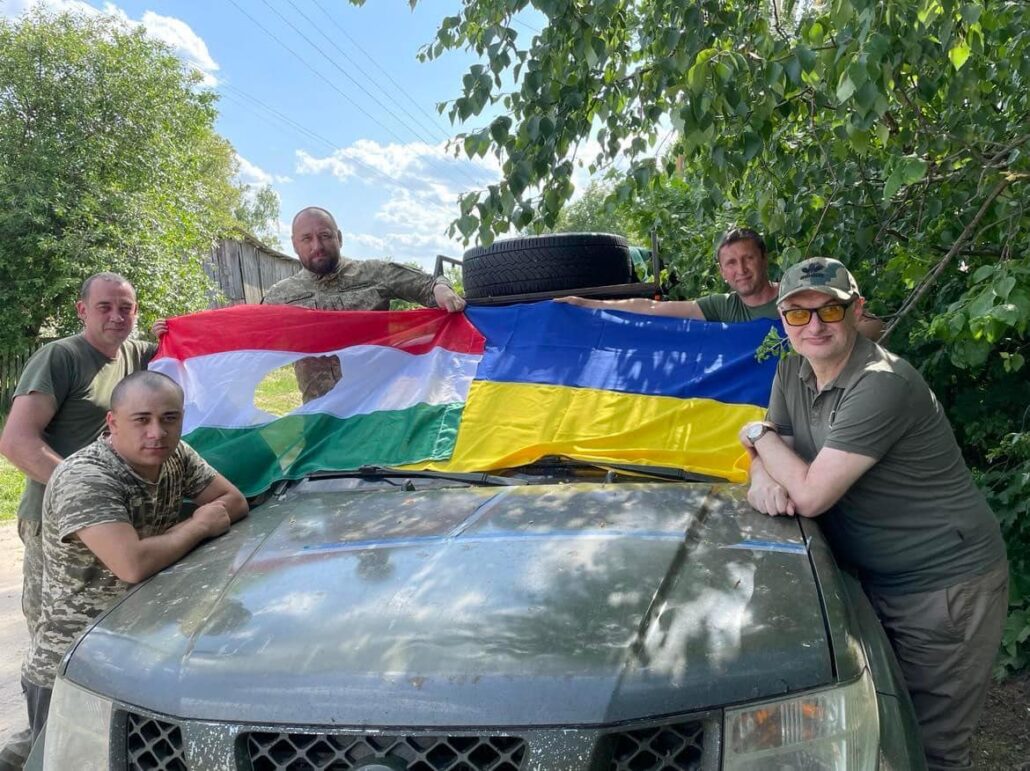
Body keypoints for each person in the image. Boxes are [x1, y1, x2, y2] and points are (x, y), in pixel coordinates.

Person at [739, 257, 1008, 771]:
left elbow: (811, 493)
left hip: (944, 587)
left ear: (857, 311)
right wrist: (761, 472)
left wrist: (756, 435)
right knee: (872, 730)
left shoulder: (883, 382)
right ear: (782, 319)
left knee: (931, 748)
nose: (814, 326)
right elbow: (776, 458)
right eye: (799, 314)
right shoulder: (792, 369)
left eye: (830, 310)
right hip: (872, 581)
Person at [17, 371, 248, 747]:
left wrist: (189, 528)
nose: (156, 432)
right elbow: (132, 564)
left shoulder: (176, 456)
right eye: (141, 420)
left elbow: (233, 501)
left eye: (169, 419)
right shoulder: (86, 477)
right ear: (113, 423)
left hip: (143, 658)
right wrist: (198, 526)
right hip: (76, 667)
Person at [0, 273, 155, 771]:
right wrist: (83, 488)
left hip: (111, 523)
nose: (117, 317)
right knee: (56, 642)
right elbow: (17, 441)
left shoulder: (134, 355)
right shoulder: (61, 358)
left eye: (126, 309)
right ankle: (34, 752)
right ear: (81, 310)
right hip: (56, 522)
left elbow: (187, 346)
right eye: (105, 307)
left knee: (105, 633)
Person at [261, 206, 467, 401]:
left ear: (339, 238)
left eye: (325, 236)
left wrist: (441, 289)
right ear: (295, 244)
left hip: (376, 412)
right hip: (321, 421)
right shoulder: (280, 296)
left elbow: (429, 284)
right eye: (306, 239)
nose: (317, 246)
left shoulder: (374, 274)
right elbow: (250, 337)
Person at [557, 227, 885, 337]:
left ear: (763, 260)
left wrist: (810, 344)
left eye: (747, 259)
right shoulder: (720, 307)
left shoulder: (795, 296)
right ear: (723, 273)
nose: (740, 269)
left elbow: (874, 326)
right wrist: (588, 304)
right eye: (731, 263)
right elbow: (653, 309)